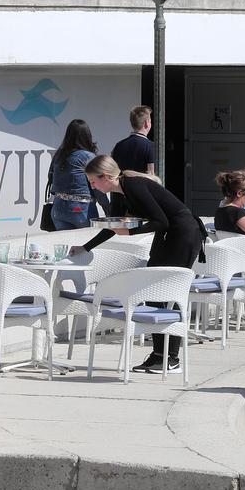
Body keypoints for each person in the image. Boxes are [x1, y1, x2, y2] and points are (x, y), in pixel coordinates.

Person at [76, 155, 203, 373]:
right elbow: (113, 225)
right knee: (153, 293)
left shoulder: (133, 185)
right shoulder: (121, 193)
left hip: (183, 236)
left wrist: (131, 232)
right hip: (167, 237)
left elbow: (160, 221)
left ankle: (172, 358)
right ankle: (158, 355)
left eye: (93, 181)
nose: (92, 186)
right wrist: (86, 247)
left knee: (168, 294)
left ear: (105, 177)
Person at [47, 119, 100, 230]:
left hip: (58, 207)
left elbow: (51, 179)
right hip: (80, 208)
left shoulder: (59, 155)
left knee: (65, 245)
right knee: (86, 244)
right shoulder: (88, 156)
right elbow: (97, 186)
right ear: (87, 136)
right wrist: (108, 208)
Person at [111, 106, 155, 177]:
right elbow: (152, 175)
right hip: (142, 186)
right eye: (150, 121)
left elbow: (113, 171)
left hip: (123, 186)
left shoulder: (118, 145)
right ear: (146, 123)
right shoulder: (150, 146)